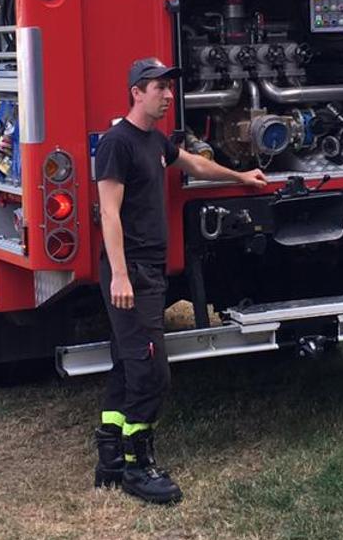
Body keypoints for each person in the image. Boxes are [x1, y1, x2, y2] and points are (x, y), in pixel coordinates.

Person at [91, 57, 268, 505]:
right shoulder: (117, 143)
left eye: (169, 89)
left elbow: (195, 165)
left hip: (148, 270)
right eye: (159, 88)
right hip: (131, 273)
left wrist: (241, 176)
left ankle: (110, 461)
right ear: (136, 92)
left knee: (127, 365)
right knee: (152, 373)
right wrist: (120, 276)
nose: (168, 95)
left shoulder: (155, 142)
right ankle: (137, 466)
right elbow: (108, 213)